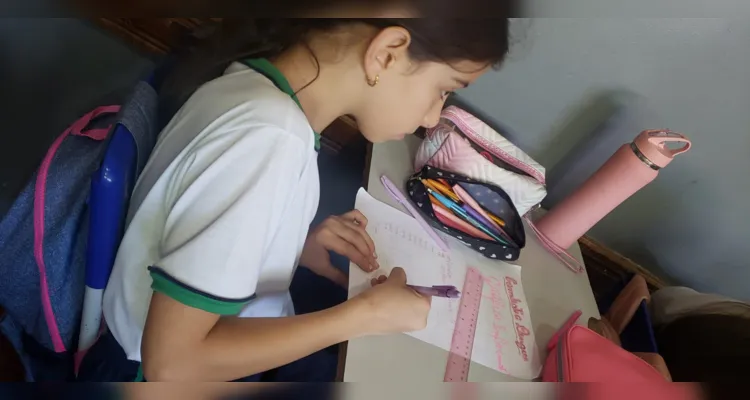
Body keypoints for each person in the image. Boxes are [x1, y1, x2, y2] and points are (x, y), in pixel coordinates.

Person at [78, 9, 514, 382]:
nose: (432, 117)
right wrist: (362, 317)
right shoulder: (268, 138)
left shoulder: (255, 84)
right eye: (443, 89)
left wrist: (290, 248)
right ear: (386, 52)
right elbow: (171, 367)